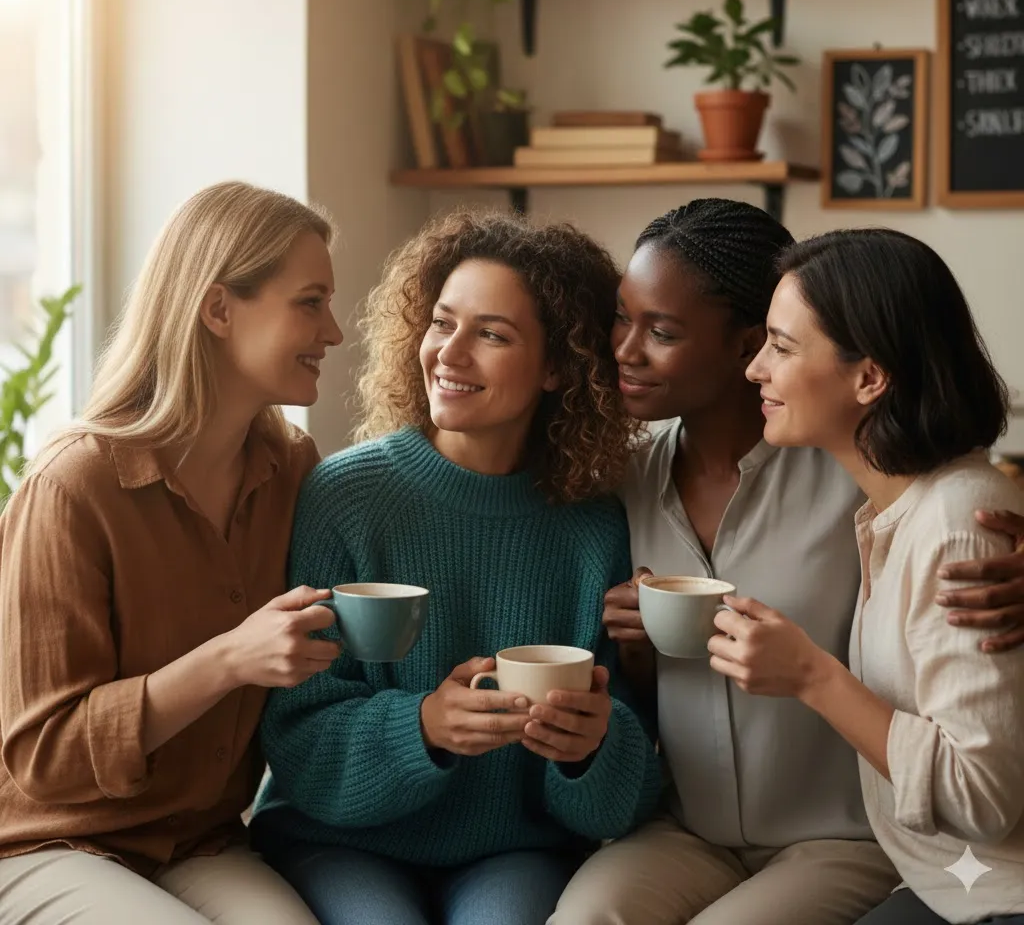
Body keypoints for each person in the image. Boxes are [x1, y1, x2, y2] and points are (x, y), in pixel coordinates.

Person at [549, 199, 1024, 925]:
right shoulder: (628, 479)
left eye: (664, 331)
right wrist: (636, 650)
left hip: (851, 838)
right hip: (688, 830)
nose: (624, 349)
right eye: (623, 317)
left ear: (744, 344)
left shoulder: (870, 480)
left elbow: (961, 513)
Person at [249, 210, 663, 925]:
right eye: (442, 323)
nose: (450, 353)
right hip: (339, 841)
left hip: (515, 848)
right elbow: (296, 735)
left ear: (560, 367)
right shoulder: (344, 495)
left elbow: (624, 781)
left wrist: (589, 747)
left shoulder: (595, 526)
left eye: (492, 334)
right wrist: (425, 725)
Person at [0, 181, 344, 925]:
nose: (336, 331)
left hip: (201, 840)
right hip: (48, 842)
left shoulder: (293, 469)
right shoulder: (73, 486)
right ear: (219, 309)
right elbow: (44, 757)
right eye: (310, 302)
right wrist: (229, 659)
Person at [718, 227, 1024, 925]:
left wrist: (811, 676)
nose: (754, 370)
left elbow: (981, 796)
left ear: (869, 377)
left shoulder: (959, 525)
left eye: (782, 347)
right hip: (942, 888)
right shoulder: (899, 511)